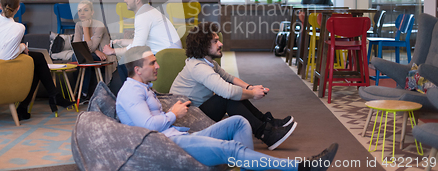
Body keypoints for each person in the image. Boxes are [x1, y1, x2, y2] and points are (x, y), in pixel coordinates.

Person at [116, 46, 338, 171]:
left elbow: (229, 79)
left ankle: (251, 163)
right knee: (231, 149)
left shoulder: (143, 87)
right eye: (152, 63)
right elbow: (147, 126)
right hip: (170, 144)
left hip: (178, 136)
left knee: (239, 122)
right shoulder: (131, 92)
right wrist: (173, 113)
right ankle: (302, 168)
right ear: (137, 69)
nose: (158, 66)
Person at [170, 22, 295, 150]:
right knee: (226, 97)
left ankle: (267, 122)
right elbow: (228, 92)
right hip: (189, 120)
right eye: (215, 41)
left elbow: (229, 78)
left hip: (196, 111)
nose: (221, 44)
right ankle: (266, 133)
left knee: (231, 92)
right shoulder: (198, 68)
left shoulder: (207, 62)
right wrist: (253, 94)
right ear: (203, 46)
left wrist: (250, 87)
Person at [0, 0, 75, 120]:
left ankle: (27, 106)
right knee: (35, 61)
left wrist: (21, 48)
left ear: (0, 6)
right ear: (18, 7)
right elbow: (5, 55)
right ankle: (53, 97)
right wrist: (22, 47)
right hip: (1, 69)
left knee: (37, 59)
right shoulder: (18, 27)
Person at [103, 0, 181, 94]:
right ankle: (128, 96)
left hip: (166, 55)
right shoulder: (148, 11)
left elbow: (137, 47)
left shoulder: (143, 15)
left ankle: (127, 97)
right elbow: (142, 41)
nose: (125, 0)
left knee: (123, 63)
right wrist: (122, 42)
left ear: (137, 0)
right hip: (169, 53)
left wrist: (113, 51)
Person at [72, 0, 110, 104]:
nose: (82, 13)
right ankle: (80, 93)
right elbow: (77, 46)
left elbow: (90, 48)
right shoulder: (78, 25)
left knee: (84, 57)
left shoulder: (99, 25)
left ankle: (83, 94)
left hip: (103, 56)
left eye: (86, 10)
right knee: (76, 56)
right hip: (91, 54)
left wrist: (86, 29)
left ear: (92, 12)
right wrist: (95, 50)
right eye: (79, 11)